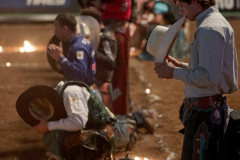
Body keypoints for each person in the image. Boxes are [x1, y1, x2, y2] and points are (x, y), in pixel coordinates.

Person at [154, 0, 238, 159]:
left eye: (181, 5)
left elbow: (209, 77)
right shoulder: (212, 23)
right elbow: (213, 71)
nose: (180, 11)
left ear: (196, 2)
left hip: (205, 113)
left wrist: (173, 72)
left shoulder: (209, 29)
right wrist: (182, 66)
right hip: (209, 109)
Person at [32, 81, 154, 159]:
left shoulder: (70, 94)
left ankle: (139, 117)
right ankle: (136, 117)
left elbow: (78, 122)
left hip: (114, 131)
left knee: (126, 128)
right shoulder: (63, 93)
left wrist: (49, 126)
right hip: (100, 126)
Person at [80, 6, 117, 112]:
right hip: (93, 83)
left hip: (102, 85)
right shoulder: (93, 36)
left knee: (105, 118)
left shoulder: (105, 37)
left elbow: (111, 63)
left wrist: (90, 50)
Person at [47, 13, 96, 86]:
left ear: (65, 28)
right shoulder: (79, 42)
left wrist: (61, 59)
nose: (55, 31)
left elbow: (81, 77)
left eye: (56, 28)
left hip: (83, 93)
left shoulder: (78, 48)